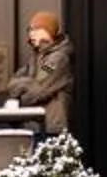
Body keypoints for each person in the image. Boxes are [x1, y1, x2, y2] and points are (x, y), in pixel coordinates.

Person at [8, 11, 75, 141]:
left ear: (48, 32)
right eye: (30, 29)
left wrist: (22, 93)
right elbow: (11, 85)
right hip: (34, 127)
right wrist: (27, 83)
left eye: (36, 29)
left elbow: (38, 90)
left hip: (51, 130)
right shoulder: (35, 58)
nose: (31, 33)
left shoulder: (57, 59)